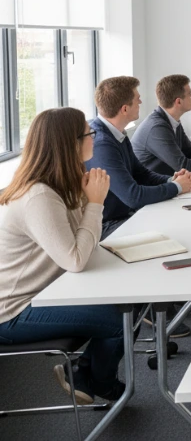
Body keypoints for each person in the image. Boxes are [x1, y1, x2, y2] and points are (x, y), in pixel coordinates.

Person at [0, 108, 126, 404]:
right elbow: (76, 260)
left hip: (46, 294)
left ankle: (83, 373)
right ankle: (99, 383)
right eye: (89, 133)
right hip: (12, 312)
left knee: (125, 301)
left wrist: (87, 200)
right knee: (118, 320)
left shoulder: (59, 184)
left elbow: (86, 243)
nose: (94, 137)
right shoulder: (39, 196)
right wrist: (95, 202)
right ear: (70, 143)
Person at [87, 76, 191, 239]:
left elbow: (141, 174)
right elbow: (133, 196)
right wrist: (177, 187)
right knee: (176, 229)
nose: (141, 102)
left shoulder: (116, 133)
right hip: (107, 225)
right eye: (137, 99)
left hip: (126, 215)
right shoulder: (101, 144)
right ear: (124, 109)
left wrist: (171, 179)